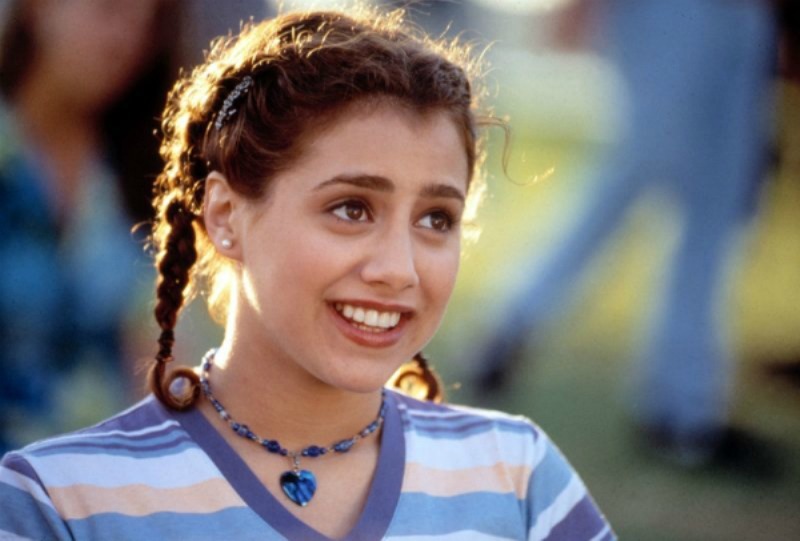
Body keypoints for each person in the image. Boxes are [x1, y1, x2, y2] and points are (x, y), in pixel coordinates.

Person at [0, 6, 615, 540]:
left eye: (436, 219)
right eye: (351, 209)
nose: (399, 269)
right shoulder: (60, 502)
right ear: (226, 217)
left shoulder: (519, 478)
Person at [472, 0, 777, 467]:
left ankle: (683, 407)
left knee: (718, 201)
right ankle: (512, 321)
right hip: (668, 11)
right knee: (638, 164)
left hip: (745, 14)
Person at [0, 0, 181, 453]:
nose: (126, 40)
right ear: (38, 7)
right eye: (110, 9)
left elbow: (152, 357)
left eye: (148, 24)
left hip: (94, 474)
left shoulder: (141, 176)